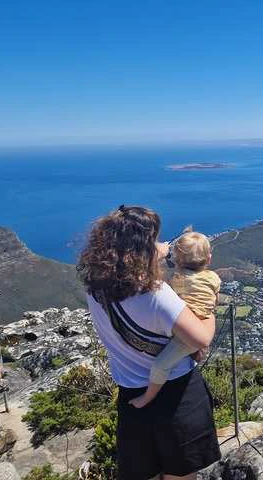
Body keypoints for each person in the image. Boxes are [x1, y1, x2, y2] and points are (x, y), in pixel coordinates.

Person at [78, 205, 220, 480]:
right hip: (178, 395)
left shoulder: (95, 288)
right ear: (140, 250)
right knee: (180, 475)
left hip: (132, 395)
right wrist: (209, 306)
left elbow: (128, 264)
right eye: (152, 240)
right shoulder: (157, 295)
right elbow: (202, 337)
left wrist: (158, 250)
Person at [129, 231, 221, 409]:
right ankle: (194, 351)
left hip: (186, 333)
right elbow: (213, 303)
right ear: (208, 259)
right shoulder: (213, 278)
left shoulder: (177, 280)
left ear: (177, 261)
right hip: (199, 325)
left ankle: (147, 397)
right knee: (185, 350)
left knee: (160, 366)